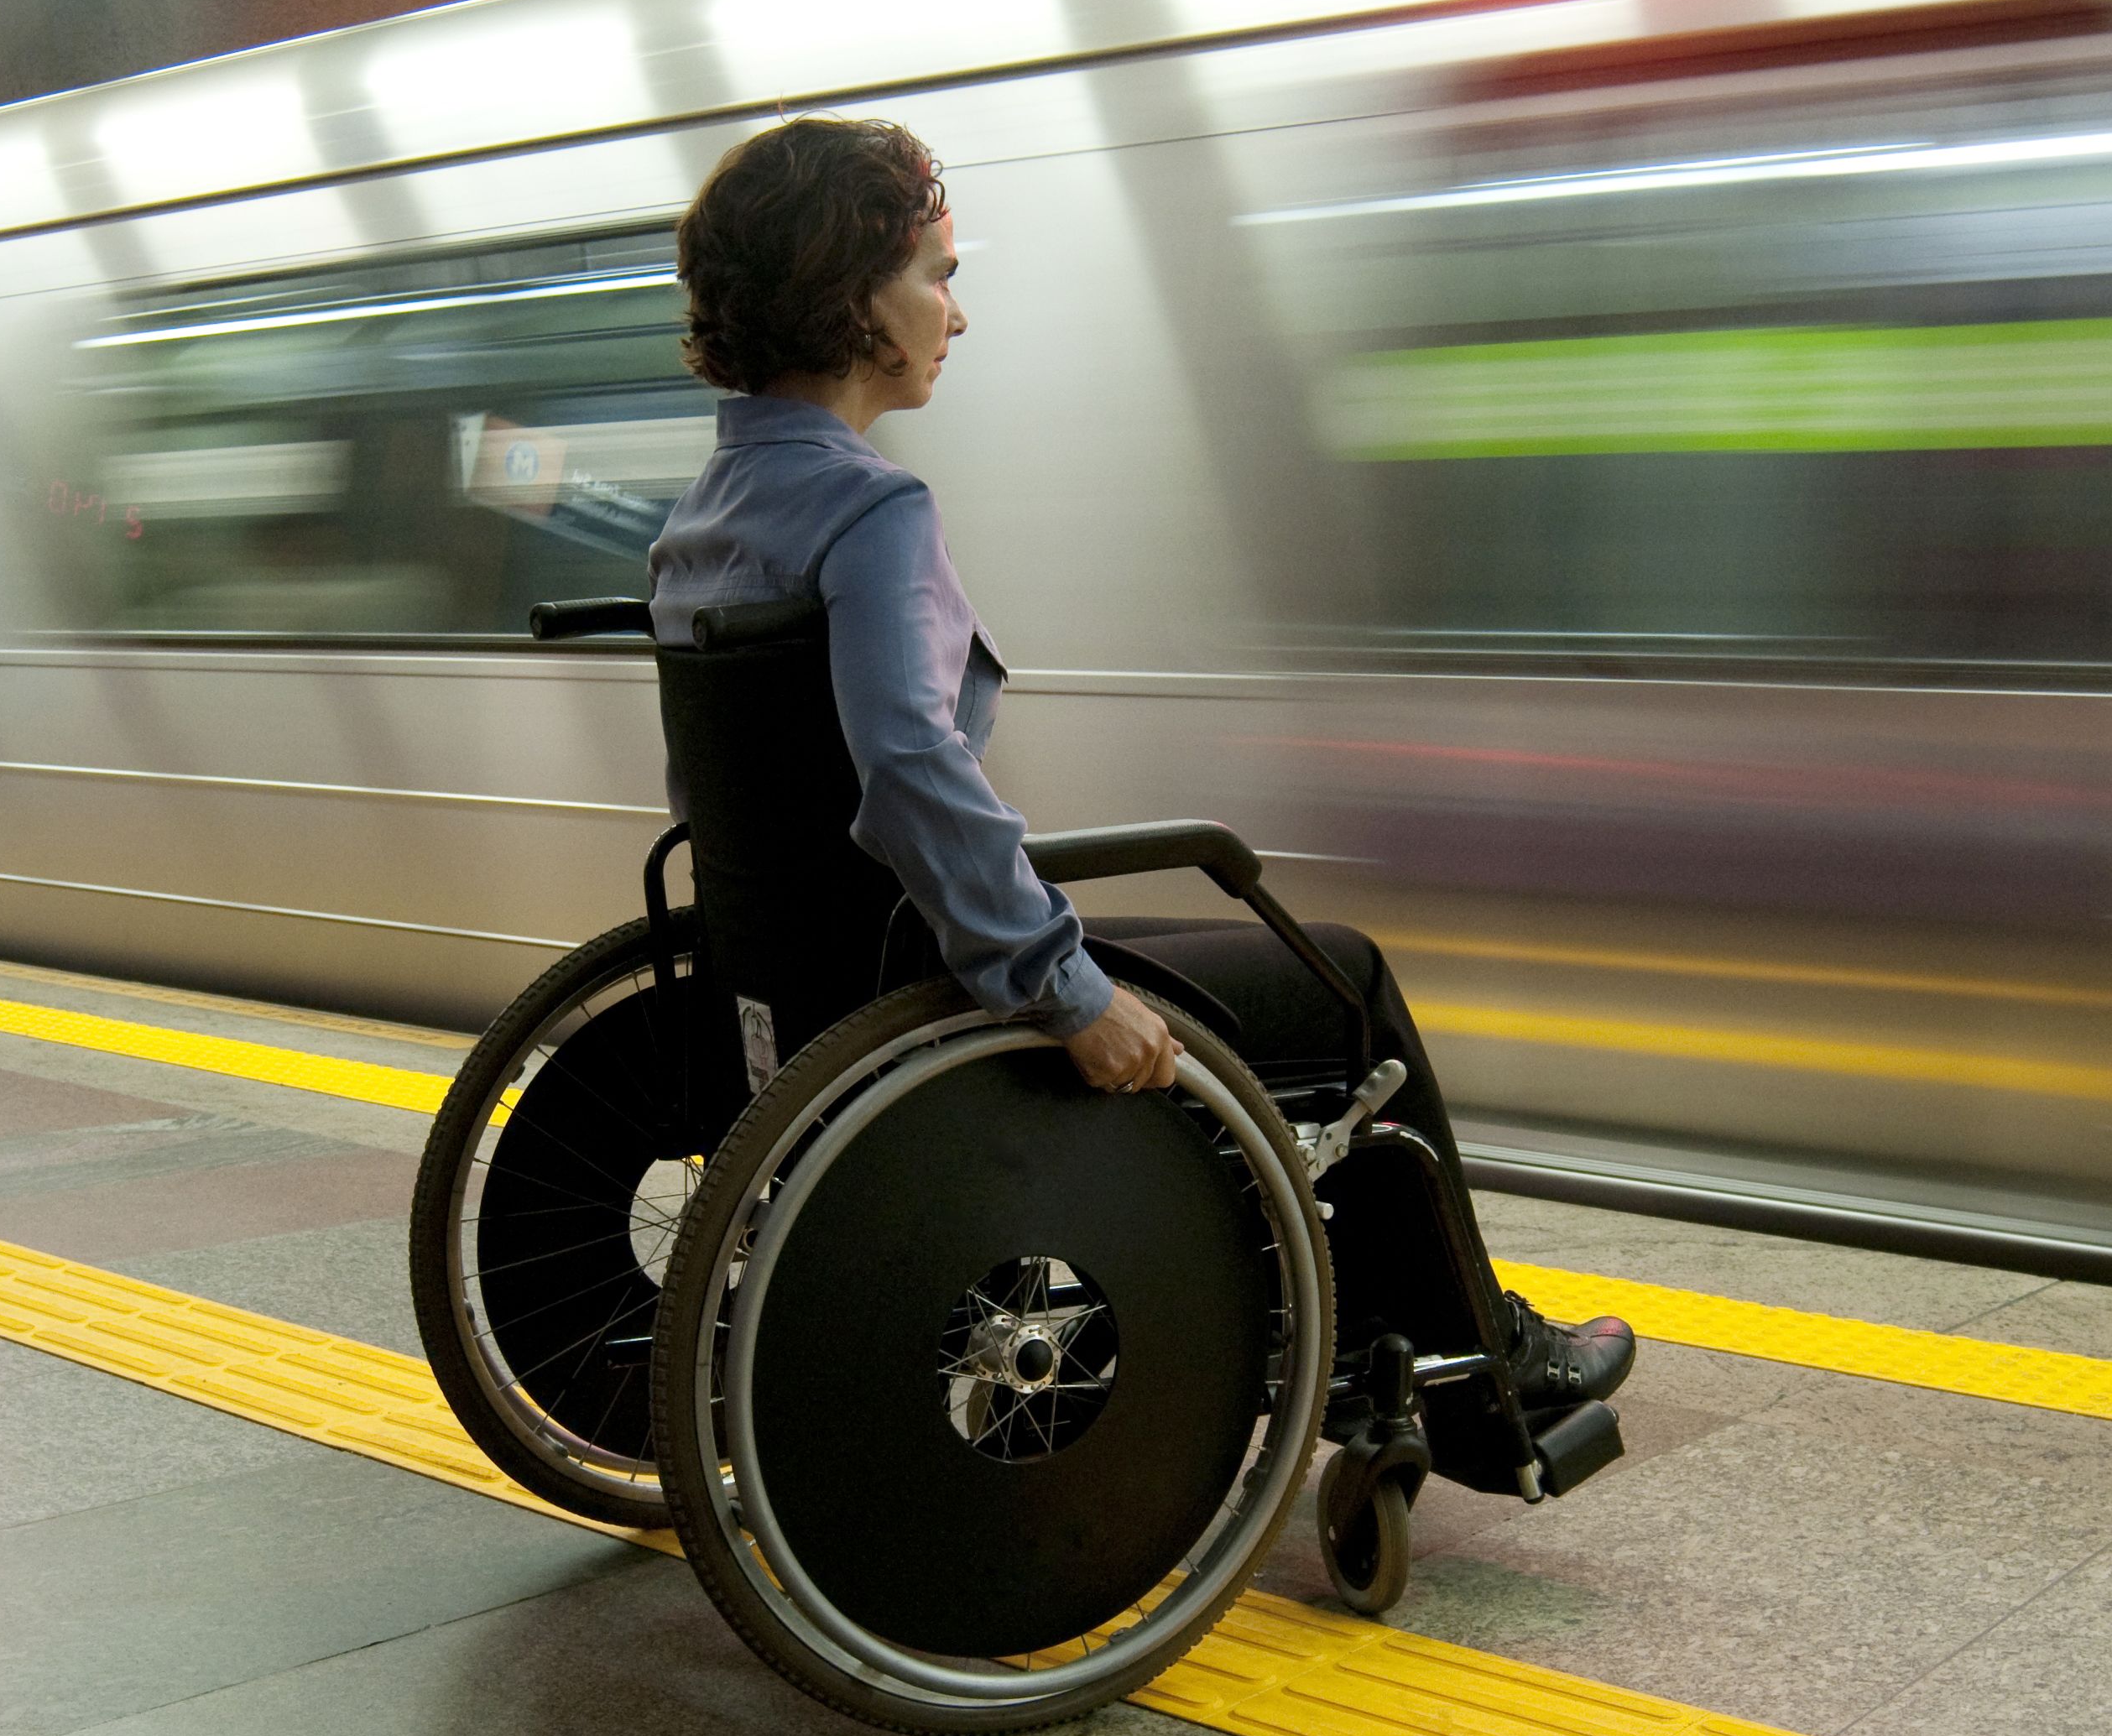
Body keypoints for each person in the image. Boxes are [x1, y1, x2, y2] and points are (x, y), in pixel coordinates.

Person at [647, 117, 1631, 1412]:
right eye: (936, 274)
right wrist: (1063, 984)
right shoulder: (872, 510)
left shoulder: (702, 519)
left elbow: (747, 800)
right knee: (1342, 978)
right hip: (927, 966)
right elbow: (906, 767)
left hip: (805, 972)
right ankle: (1475, 1361)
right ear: (849, 300)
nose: (958, 311)